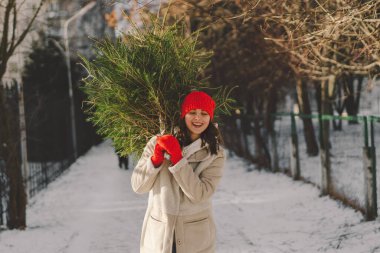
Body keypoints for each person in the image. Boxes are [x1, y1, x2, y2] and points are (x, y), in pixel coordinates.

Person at [131, 91, 225, 253]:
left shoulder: (215, 154)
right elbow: (138, 186)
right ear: (184, 114)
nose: (198, 118)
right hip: (160, 232)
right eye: (192, 112)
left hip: (195, 236)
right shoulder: (158, 141)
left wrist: (178, 159)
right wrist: (155, 160)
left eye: (204, 113)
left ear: (210, 118)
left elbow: (200, 194)